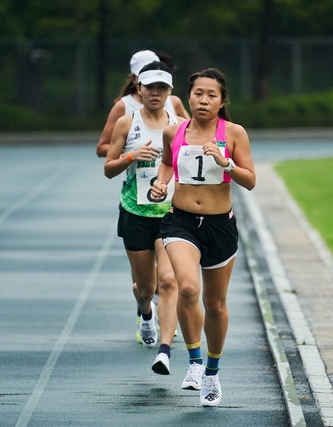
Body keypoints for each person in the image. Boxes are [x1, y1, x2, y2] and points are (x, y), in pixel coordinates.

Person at [150, 68, 256, 406]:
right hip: (180, 222)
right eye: (198, 93)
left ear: (222, 100)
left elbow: (250, 180)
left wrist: (226, 164)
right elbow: (167, 164)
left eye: (211, 95)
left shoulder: (234, 133)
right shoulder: (174, 131)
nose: (204, 100)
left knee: (216, 304)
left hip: (219, 226)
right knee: (188, 287)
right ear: (189, 96)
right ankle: (194, 363)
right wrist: (161, 183)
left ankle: (212, 370)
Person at [104, 61, 185, 375]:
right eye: (150, 87)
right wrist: (130, 156)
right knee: (145, 286)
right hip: (135, 212)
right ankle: (145, 313)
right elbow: (108, 169)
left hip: (171, 215)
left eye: (162, 88)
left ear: (170, 91)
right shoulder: (127, 123)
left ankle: (163, 352)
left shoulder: (181, 125)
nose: (155, 93)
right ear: (139, 88)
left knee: (168, 281)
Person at [96, 50, 190, 158]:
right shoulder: (123, 106)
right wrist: (130, 153)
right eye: (144, 74)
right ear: (134, 79)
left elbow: (193, 134)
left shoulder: (174, 102)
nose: (151, 78)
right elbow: (102, 148)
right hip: (134, 173)